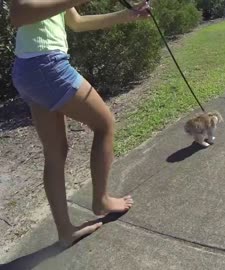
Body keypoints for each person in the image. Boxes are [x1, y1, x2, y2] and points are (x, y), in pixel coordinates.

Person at [10, 0, 150, 246]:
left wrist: (127, 15)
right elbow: (19, 14)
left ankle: (65, 231)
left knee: (55, 153)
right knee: (105, 124)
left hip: (30, 70)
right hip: (46, 66)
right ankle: (102, 200)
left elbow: (76, 23)